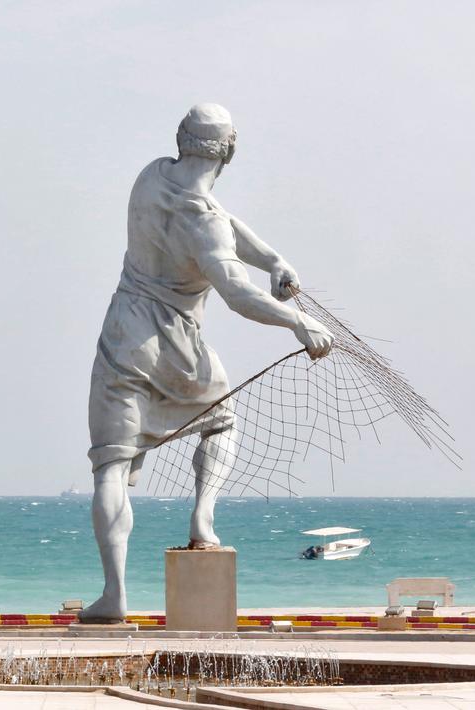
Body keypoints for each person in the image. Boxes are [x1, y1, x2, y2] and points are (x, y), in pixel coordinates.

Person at [82, 103, 334, 623]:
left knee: (111, 466)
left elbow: (219, 221)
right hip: (178, 347)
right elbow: (235, 289)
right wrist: (298, 321)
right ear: (230, 151)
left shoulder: (151, 177)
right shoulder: (207, 223)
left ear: (181, 139)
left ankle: (114, 595)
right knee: (221, 422)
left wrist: (272, 259)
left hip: (123, 337)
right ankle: (203, 517)